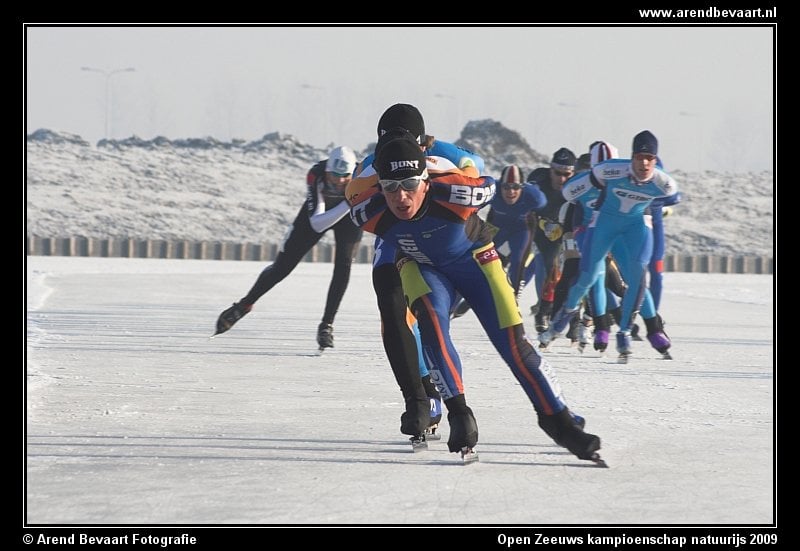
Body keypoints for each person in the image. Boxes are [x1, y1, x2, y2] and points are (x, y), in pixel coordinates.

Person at [350, 135, 603, 463]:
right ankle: (459, 414)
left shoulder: (458, 191)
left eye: (410, 184)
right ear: (378, 186)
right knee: (430, 324)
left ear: (425, 179)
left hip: (475, 260)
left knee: (514, 345)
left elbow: (488, 183)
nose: (400, 197)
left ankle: (559, 421)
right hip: (425, 268)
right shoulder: (367, 210)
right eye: (390, 186)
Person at [344, 104, 483, 445]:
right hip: (396, 240)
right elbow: (351, 194)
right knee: (392, 308)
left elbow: (475, 171)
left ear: (424, 143)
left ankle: (441, 395)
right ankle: (418, 401)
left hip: (438, 241)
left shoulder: (444, 152)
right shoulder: (373, 161)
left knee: (426, 318)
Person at [540, 131, 679, 360]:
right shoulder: (595, 177)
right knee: (591, 276)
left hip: (627, 231)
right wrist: (574, 230)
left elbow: (665, 197)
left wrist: (656, 208)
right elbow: (569, 201)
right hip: (593, 230)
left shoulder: (640, 175)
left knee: (634, 276)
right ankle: (580, 322)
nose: (643, 163)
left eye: (649, 158)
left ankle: (652, 327)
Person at [215, 146, 363, 349]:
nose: (338, 181)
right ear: (326, 171)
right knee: (283, 265)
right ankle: (245, 304)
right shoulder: (316, 175)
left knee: (343, 265)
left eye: (344, 177)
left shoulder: (361, 177)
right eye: (333, 176)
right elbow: (317, 222)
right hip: (319, 215)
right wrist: (349, 201)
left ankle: (327, 325)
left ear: (352, 173)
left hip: (348, 220)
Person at [526, 148, 576, 333]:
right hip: (541, 229)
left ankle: (574, 318)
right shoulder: (539, 178)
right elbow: (525, 204)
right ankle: (543, 310)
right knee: (545, 266)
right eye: (557, 173)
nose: (561, 179)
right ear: (550, 170)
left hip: (566, 229)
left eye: (566, 174)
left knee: (572, 272)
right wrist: (539, 223)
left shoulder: (578, 184)